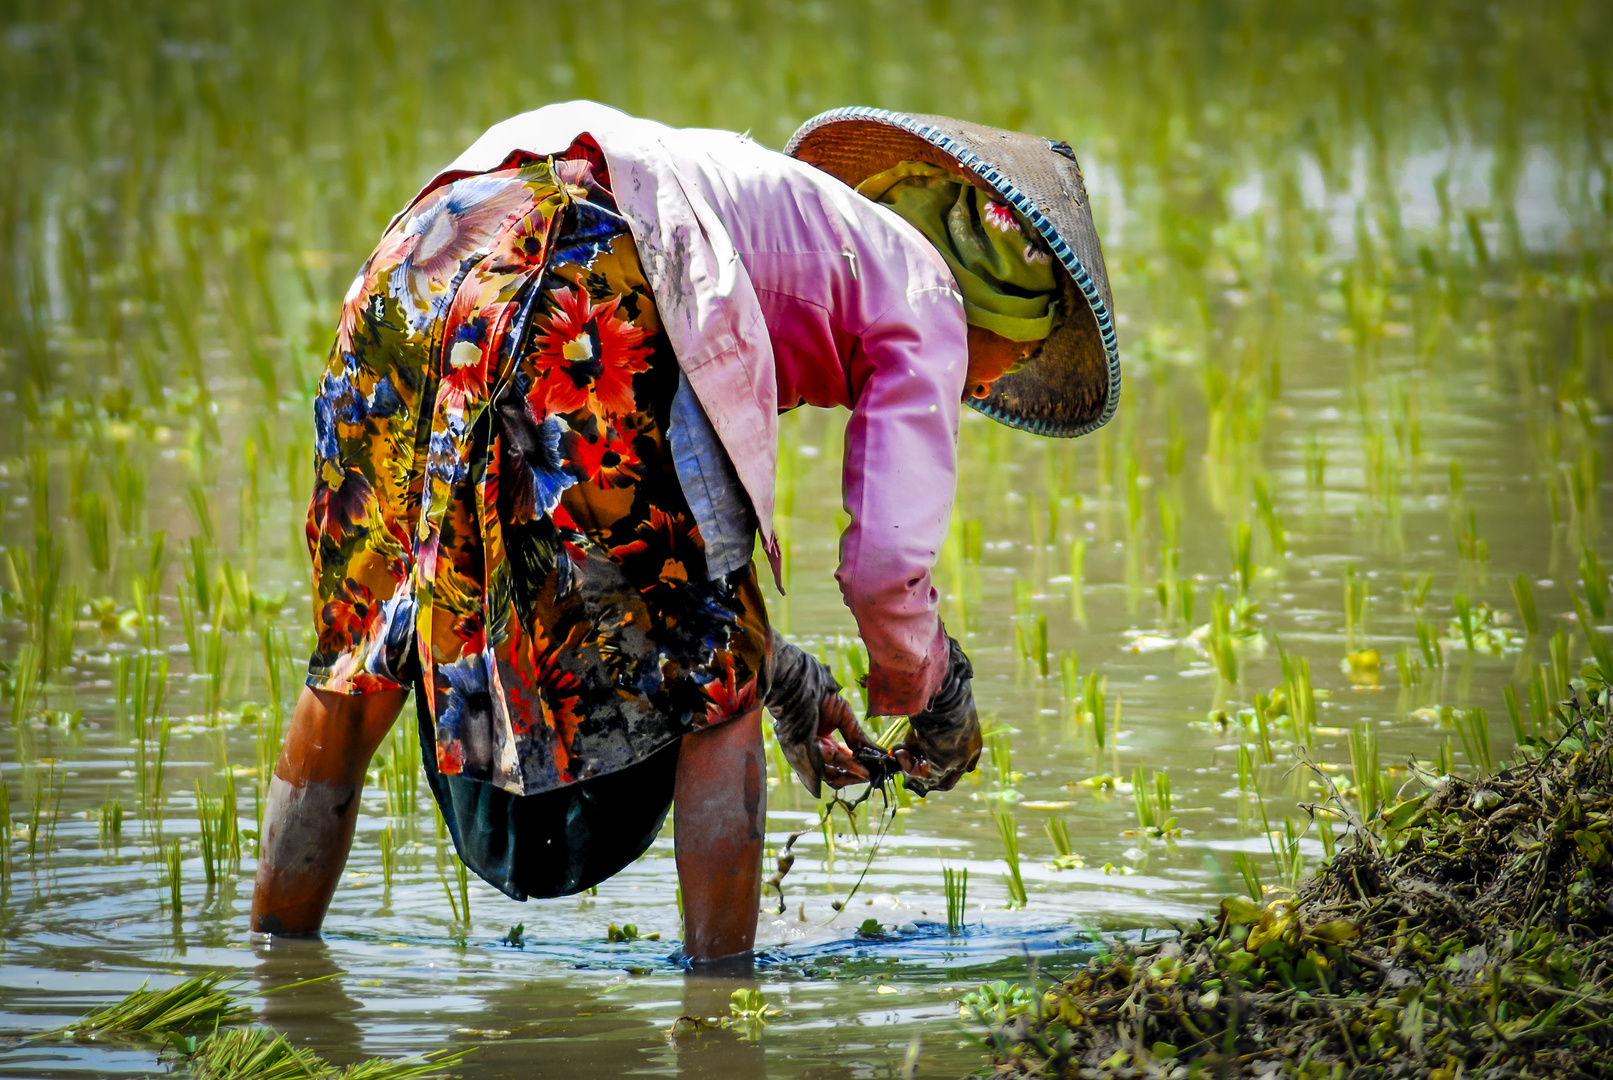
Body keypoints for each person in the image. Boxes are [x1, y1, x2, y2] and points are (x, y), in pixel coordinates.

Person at [250, 101, 1119, 964]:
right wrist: (932, 692)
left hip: (430, 247)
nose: (991, 384)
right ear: (998, 314)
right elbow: (886, 568)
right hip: (586, 280)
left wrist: (787, 669)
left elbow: (624, 560)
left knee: (365, 639)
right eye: (1018, 355)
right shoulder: (927, 295)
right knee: (718, 679)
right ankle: (720, 1016)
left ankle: (274, 967)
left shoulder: (806, 233)